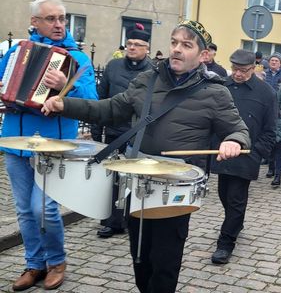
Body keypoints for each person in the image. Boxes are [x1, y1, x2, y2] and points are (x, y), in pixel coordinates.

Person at [42, 20, 250, 293]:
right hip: (137, 179)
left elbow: (238, 129)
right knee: (140, 255)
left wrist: (233, 142)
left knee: (165, 260)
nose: (177, 49)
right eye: (174, 42)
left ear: (202, 56)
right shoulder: (146, 80)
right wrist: (64, 104)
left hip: (176, 186)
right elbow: (110, 109)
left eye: (186, 45)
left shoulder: (215, 92)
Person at [0, 0, 97, 291]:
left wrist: (64, 86)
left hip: (54, 145)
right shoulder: (15, 52)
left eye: (61, 19)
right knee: (24, 210)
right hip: (17, 141)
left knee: (44, 209)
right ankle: (34, 264)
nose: (58, 25)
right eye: (51, 19)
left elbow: (91, 102)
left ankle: (56, 261)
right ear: (35, 22)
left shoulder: (77, 59)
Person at [210, 49, 277, 264]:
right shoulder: (221, 87)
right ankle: (236, 223)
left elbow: (270, 130)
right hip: (222, 152)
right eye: (235, 69)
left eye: (243, 70)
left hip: (247, 155)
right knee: (224, 195)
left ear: (254, 67)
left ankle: (225, 243)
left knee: (236, 199)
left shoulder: (266, 93)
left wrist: (256, 153)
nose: (237, 74)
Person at [91, 22, 154, 239]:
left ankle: (133, 218)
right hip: (114, 131)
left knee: (135, 178)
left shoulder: (153, 71)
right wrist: (95, 128)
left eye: (138, 44)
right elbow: (102, 98)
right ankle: (112, 221)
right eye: (129, 43)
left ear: (147, 48)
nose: (132, 48)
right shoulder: (113, 66)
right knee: (112, 177)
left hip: (139, 134)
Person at [264, 52, 281, 178]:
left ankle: (277, 167)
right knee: (268, 137)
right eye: (272, 60)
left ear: (280, 63)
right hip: (265, 107)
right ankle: (270, 165)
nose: (274, 62)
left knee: (277, 140)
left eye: (276, 60)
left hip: (279, 109)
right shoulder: (264, 73)